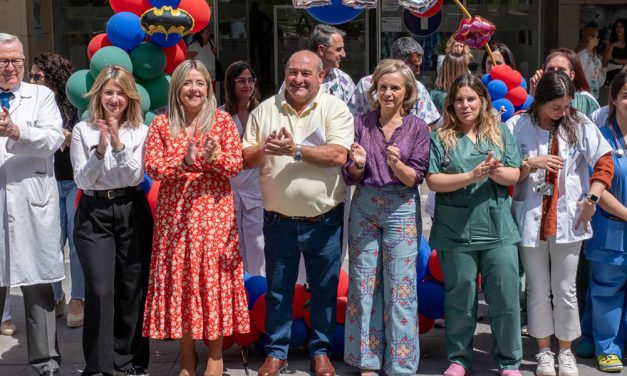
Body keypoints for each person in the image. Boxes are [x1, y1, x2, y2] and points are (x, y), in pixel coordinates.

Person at [242, 50, 353, 376]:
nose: (298, 79)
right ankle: (277, 352)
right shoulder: (265, 110)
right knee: (278, 289)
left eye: (306, 73)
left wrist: (296, 149)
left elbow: (338, 154)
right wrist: (266, 149)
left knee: (324, 287)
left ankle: (321, 352)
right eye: (293, 72)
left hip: (325, 219)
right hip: (278, 219)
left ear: (321, 76)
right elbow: (246, 157)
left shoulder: (335, 107)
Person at [142, 59, 249, 376]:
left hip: (213, 219)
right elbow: (153, 167)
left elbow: (234, 165)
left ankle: (214, 355)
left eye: (199, 83)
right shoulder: (162, 124)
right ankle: (187, 357)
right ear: (177, 88)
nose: (193, 89)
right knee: (182, 283)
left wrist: (212, 157)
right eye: (187, 83)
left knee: (211, 281)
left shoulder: (223, 122)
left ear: (208, 88)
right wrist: (183, 161)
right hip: (175, 221)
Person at [507, 70, 613, 376]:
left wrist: (592, 199)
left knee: (565, 289)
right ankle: (543, 351)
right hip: (530, 219)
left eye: (566, 106)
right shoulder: (517, 125)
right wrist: (530, 164)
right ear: (539, 101)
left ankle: (565, 351)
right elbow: (501, 164)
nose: (562, 112)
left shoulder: (579, 124)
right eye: (556, 107)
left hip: (570, 219)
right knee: (538, 290)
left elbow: (604, 163)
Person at [426, 73, 523, 376]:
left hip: (497, 229)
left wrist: (493, 172)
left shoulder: (500, 133)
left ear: (483, 101)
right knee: (460, 298)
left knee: (505, 297)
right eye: (459, 100)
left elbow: (515, 175)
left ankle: (509, 361)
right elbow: (434, 181)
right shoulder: (440, 137)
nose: (465, 105)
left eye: (471, 99)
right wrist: (472, 175)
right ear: (450, 105)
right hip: (456, 233)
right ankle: (458, 359)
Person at [342, 59, 429, 375]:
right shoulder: (360, 124)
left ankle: (401, 364)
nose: (389, 93)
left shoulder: (418, 128)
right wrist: (358, 164)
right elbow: (350, 176)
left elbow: (416, 177)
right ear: (374, 90)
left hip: (401, 208)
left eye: (395, 87)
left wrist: (397, 166)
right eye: (383, 87)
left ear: (406, 91)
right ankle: (367, 361)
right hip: (364, 205)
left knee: (400, 288)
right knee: (363, 284)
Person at [71, 65, 153, 376]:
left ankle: (130, 360)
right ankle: (99, 365)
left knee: (132, 287)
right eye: (109, 92)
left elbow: (135, 175)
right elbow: (82, 179)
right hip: (95, 211)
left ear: (130, 96)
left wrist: (118, 145)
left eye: (120, 92)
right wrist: (101, 150)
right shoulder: (83, 130)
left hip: (131, 207)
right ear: (99, 95)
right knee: (100, 289)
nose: (114, 98)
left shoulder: (140, 130)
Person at [0, 33, 64, 376]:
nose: (11, 68)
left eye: (16, 61)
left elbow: (53, 138)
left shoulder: (40, 96)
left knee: (37, 282)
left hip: (30, 200)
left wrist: (15, 131)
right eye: (3, 61)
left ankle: (46, 363)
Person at [30, 52, 84, 328]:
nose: (32, 81)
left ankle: (77, 297)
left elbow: (85, 135)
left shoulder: (72, 103)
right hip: (45, 179)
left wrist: (68, 136)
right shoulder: (31, 104)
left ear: (53, 76)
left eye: (38, 76)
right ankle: (54, 295)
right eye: (32, 76)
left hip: (73, 178)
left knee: (75, 243)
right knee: (50, 241)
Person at [580, 72, 627, 372]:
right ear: (613, 99)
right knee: (607, 287)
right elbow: (596, 184)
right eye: (626, 95)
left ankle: (593, 334)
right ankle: (607, 347)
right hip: (611, 226)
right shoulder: (602, 138)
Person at [222, 61, 265, 276]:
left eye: (251, 80)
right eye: (241, 81)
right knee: (232, 246)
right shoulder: (220, 115)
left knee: (258, 245)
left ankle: (258, 289)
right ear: (231, 84)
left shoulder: (263, 112)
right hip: (229, 188)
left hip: (256, 187)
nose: (247, 85)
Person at [349, 37, 440, 126]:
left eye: (395, 88)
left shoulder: (418, 87)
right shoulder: (365, 84)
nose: (418, 71)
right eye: (414, 66)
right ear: (398, 62)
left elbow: (428, 123)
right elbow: (353, 120)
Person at [530, 48, 600, 118]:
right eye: (550, 69)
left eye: (561, 69)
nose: (555, 73)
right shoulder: (535, 96)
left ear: (572, 75)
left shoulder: (587, 102)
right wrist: (534, 93)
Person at [308, 24, 355, 103]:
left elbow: (354, 113)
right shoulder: (298, 79)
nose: (344, 54)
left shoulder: (344, 80)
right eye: (338, 49)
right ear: (321, 50)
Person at [576, 27, 606, 100]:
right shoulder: (582, 55)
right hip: (584, 94)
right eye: (596, 37)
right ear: (589, 38)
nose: (598, 39)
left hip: (594, 94)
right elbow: (578, 75)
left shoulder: (595, 55)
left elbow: (598, 76)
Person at [603, 18, 627, 86]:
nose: (619, 29)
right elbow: (605, 61)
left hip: (624, 72)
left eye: (621, 26)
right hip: (610, 72)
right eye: (617, 27)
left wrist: (614, 59)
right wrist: (612, 45)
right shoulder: (610, 42)